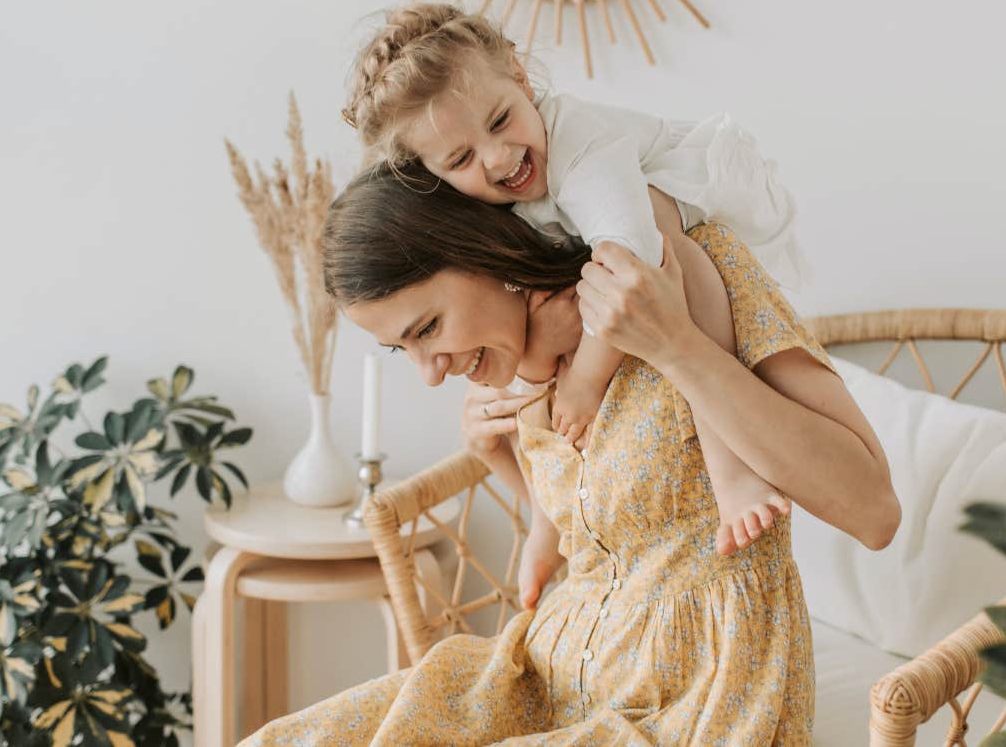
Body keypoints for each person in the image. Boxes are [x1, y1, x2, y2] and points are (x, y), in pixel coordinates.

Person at [240, 164, 899, 746]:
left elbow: (873, 509)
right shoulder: (520, 364)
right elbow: (607, 538)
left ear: (485, 253)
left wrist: (677, 345)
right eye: (401, 349)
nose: (430, 373)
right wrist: (499, 455)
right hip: (545, 677)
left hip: (695, 701)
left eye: (428, 330)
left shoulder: (691, 270)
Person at [341, 2, 804, 556]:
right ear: (433, 177)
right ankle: (550, 525)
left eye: (500, 120)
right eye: (462, 157)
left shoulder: (580, 143)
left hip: (699, 200)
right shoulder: (491, 215)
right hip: (627, 244)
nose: (498, 156)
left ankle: (732, 469)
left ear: (519, 75)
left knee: (658, 256)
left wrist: (585, 377)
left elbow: (631, 259)